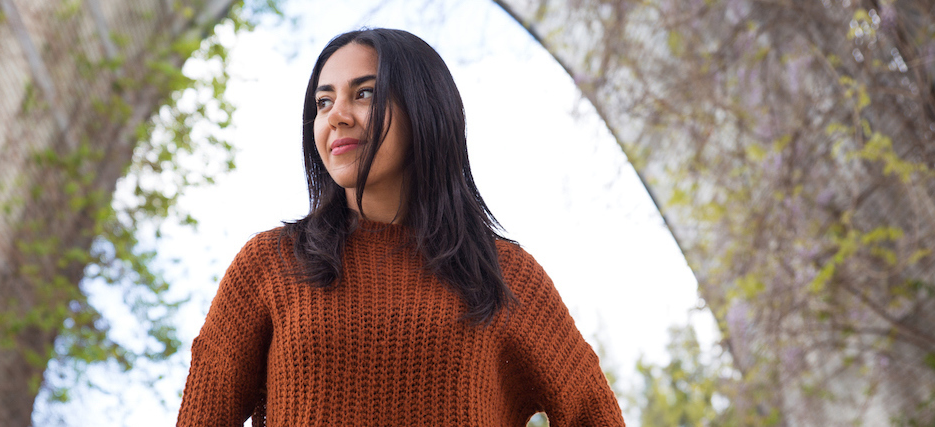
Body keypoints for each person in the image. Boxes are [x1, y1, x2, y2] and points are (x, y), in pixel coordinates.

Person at [176, 28, 624, 426]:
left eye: (365, 94)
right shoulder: (270, 263)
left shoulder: (503, 274)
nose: (337, 116)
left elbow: (593, 412)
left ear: (424, 109)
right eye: (324, 101)